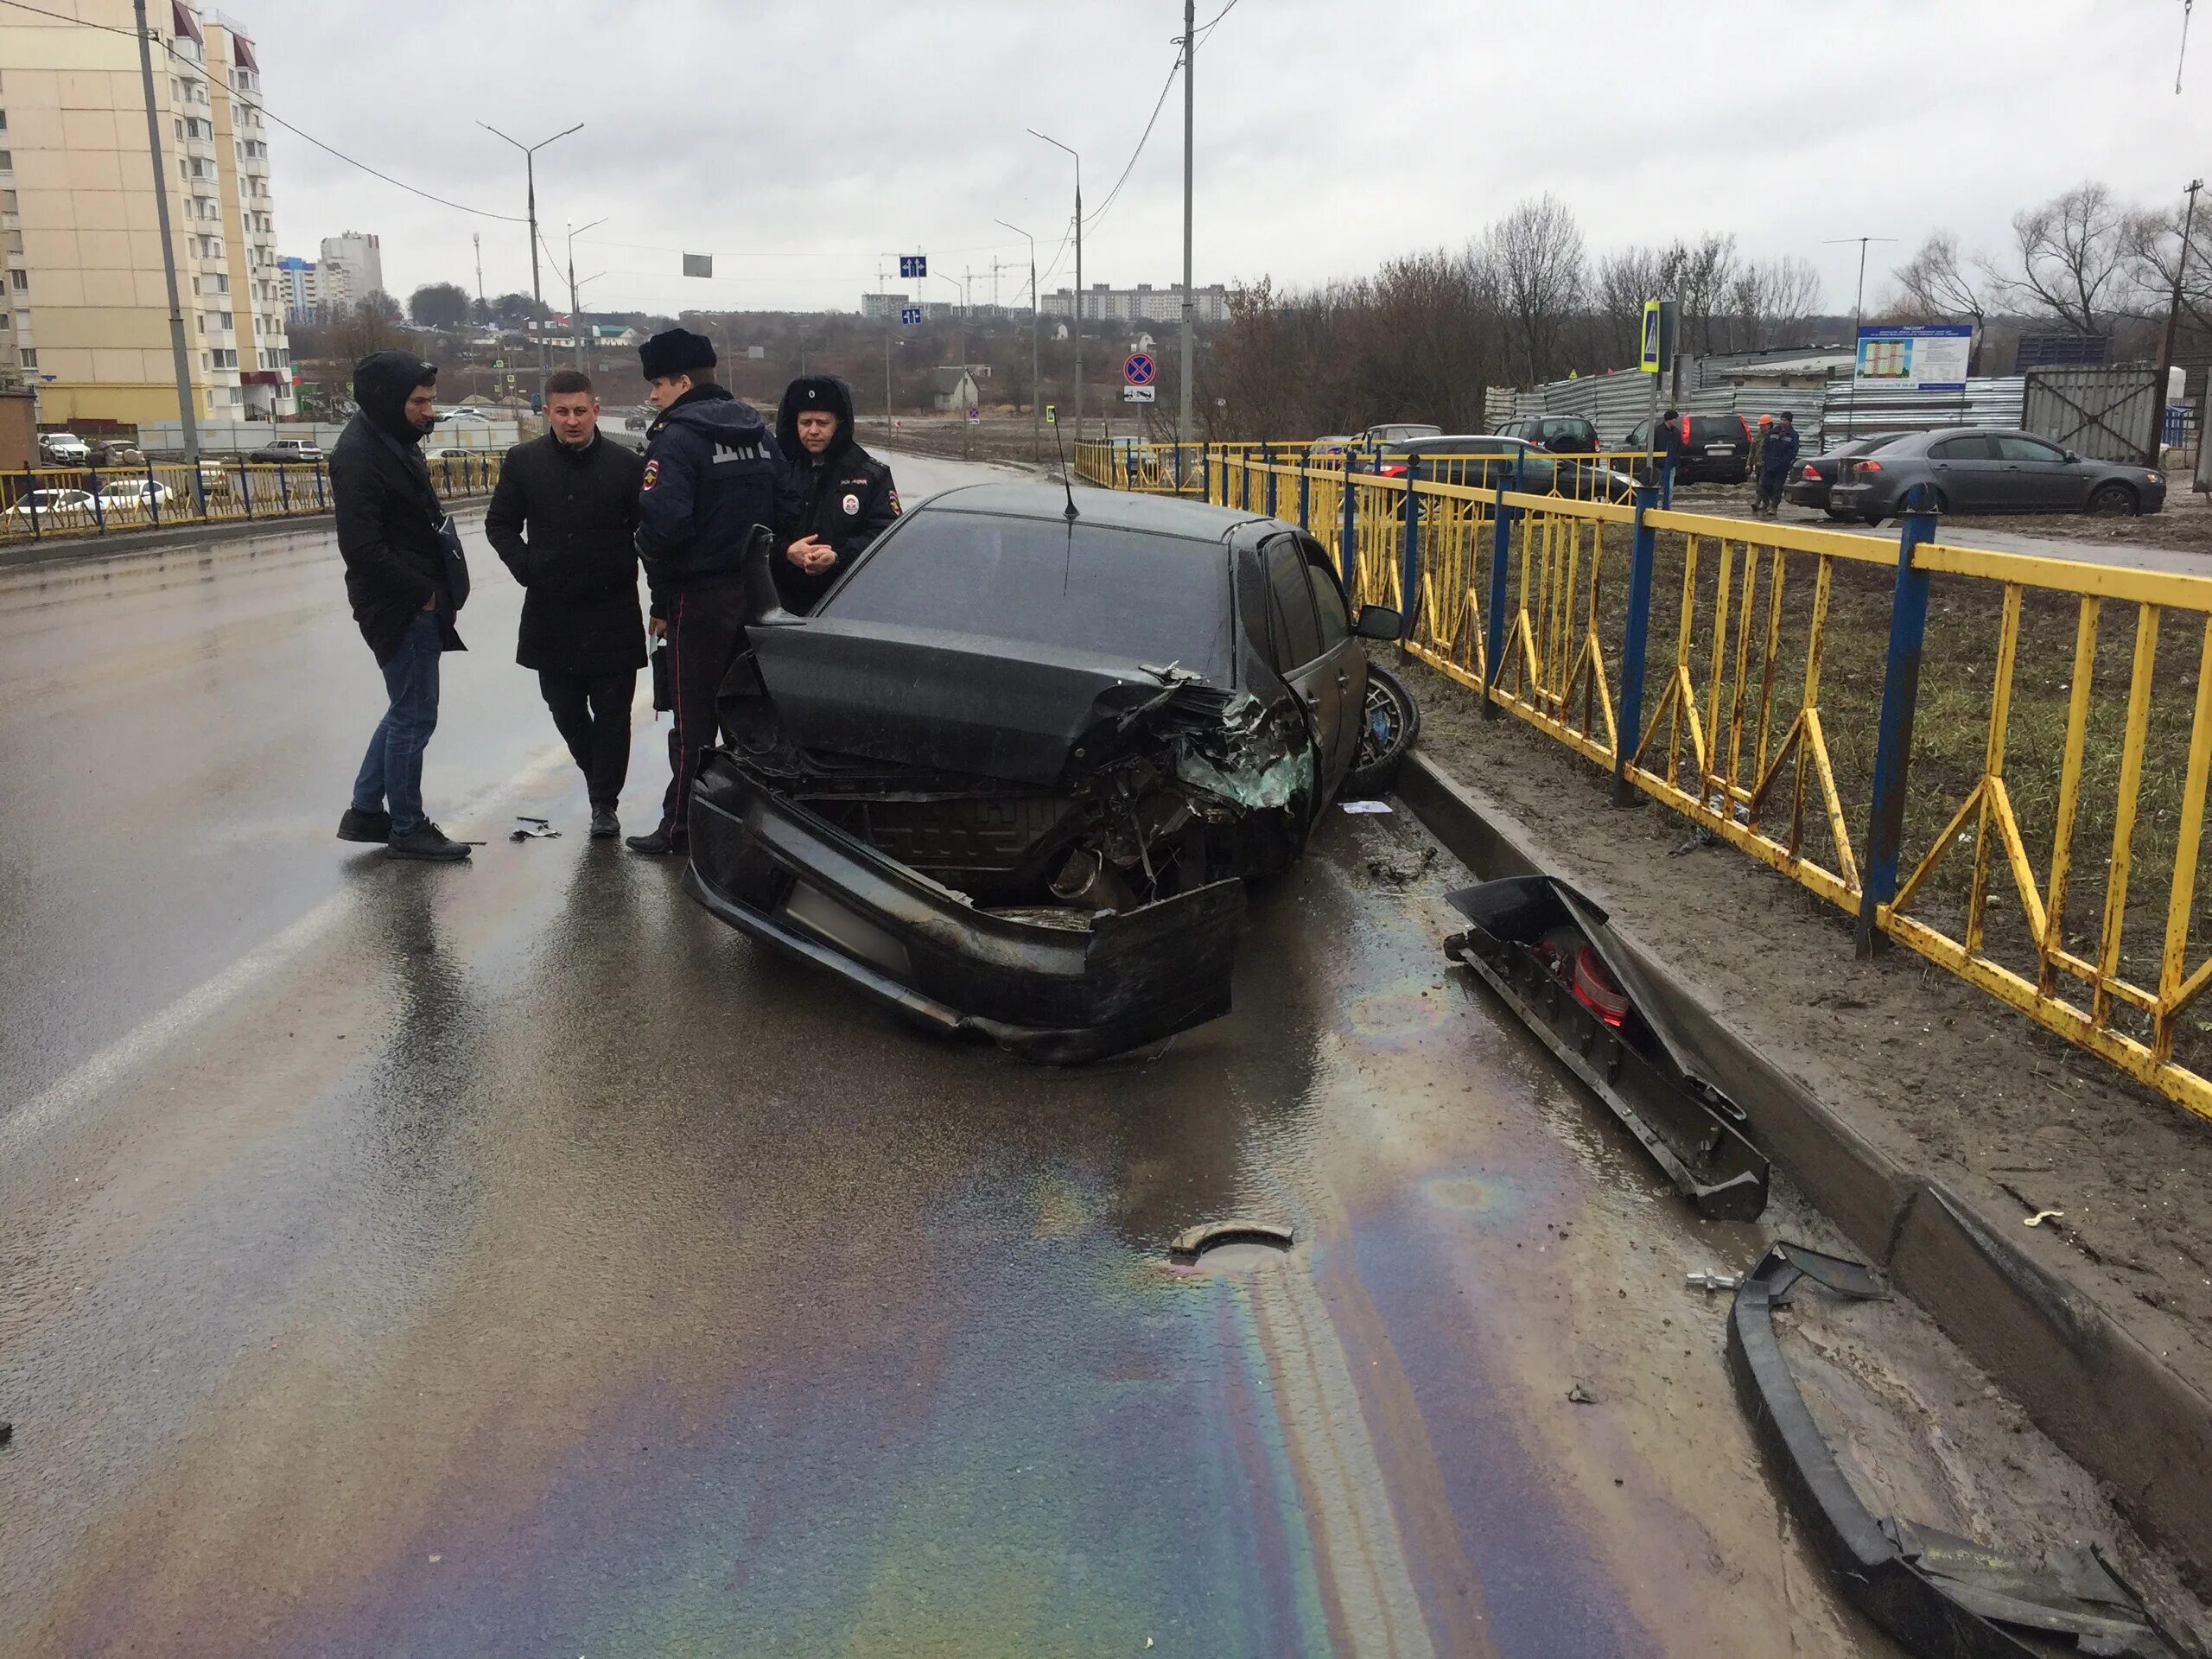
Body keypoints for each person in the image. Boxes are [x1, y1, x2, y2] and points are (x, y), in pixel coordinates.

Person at [626, 327, 799, 856]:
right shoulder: (758, 432)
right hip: (758, 596)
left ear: (681, 382)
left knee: (694, 718)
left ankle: (682, 827)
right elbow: (789, 507)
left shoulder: (676, 439)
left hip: (697, 603)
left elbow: (663, 526)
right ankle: (766, 827)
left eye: (657, 384)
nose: (653, 395)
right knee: (755, 718)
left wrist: (647, 554)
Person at [485, 367, 647, 839]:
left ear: (596, 411)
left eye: (581, 411)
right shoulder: (523, 462)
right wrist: (527, 567)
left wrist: (659, 601)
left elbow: (652, 535)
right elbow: (500, 525)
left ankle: (604, 805)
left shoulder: (627, 466)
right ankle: (597, 776)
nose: (572, 420)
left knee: (614, 713)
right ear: (547, 413)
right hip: (550, 611)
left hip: (613, 608)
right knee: (564, 708)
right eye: (562, 412)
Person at [334, 348, 471, 861]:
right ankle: (407, 826)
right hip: (400, 605)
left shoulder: (393, 439)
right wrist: (425, 593)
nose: (428, 410)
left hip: (414, 600)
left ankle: (367, 809)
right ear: (388, 400)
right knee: (415, 716)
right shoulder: (360, 455)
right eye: (419, 401)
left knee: (404, 710)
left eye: (430, 400)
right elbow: (362, 548)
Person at [772, 374, 900, 613]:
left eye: (822, 423)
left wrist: (837, 556)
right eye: (805, 422)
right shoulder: (775, 469)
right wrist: (786, 552)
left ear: (839, 424)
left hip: (847, 602)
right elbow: (754, 530)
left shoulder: (871, 474)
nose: (813, 431)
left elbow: (887, 535)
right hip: (781, 604)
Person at [1758, 411, 1801, 518]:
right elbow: (1765, 446)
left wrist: (1784, 462)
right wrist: (1766, 458)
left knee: (1778, 487)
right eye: (1781, 419)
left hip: (1782, 467)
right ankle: (1768, 503)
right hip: (1770, 465)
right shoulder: (1773, 432)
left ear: (1789, 421)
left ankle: (1774, 507)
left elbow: (1793, 451)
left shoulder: (1793, 435)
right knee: (1764, 486)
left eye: (1785, 420)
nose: (1782, 422)